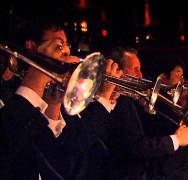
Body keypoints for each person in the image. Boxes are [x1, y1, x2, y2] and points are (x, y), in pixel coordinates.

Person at [0, 18, 120, 179]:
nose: (66, 52)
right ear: (31, 47)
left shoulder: (54, 89)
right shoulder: (13, 92)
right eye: (57, 46)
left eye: (66, 45)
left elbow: (60, 155)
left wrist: (54, 103)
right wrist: (39, 72)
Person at [101, 47, 188, 179]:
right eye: (135, 69)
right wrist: (176, 140)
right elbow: (136, 147)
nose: (140, 75)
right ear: (117, 70)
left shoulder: (129, 100)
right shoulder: (116, 103)